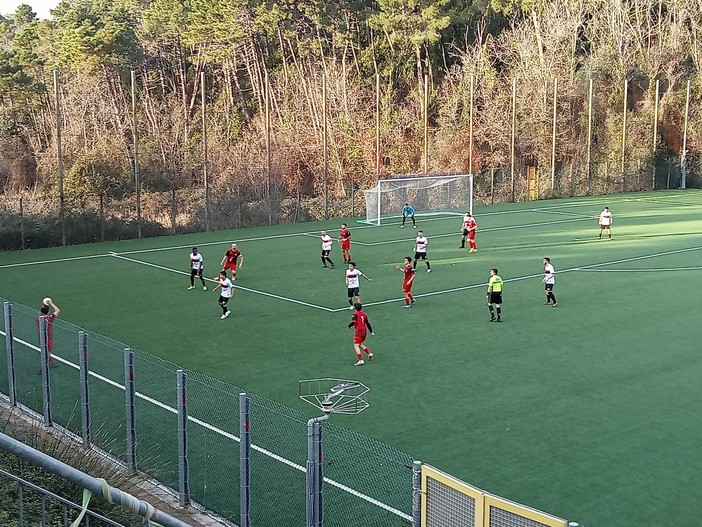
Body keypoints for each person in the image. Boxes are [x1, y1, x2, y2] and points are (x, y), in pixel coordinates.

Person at [36, 299, 60, 368]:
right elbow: (57, 310)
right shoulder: (49, 319)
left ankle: (53, 363)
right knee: (47, 353)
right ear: (48, 312)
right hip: (48, 338)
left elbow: (41, 311)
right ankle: (42, 368)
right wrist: (51, 303)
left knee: (46, 351)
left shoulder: (38, 318)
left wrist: (44, 304)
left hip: (41, 337)